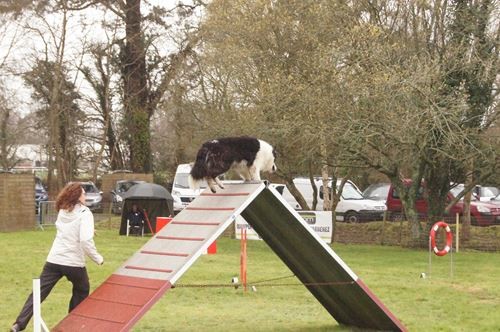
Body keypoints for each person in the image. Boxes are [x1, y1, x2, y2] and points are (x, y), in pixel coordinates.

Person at [10, 183, 104, 332]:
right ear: (77, 197)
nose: (85, 196)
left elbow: (70, 228)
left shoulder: (63, 210)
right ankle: (71, 326)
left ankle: (19, 324)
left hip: (54, 260)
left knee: (38, 293)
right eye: (83, 194)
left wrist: (90, 228)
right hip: (73, 263)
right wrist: (98, 258)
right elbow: (85, 240)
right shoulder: (85, 213)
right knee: (82, 289)